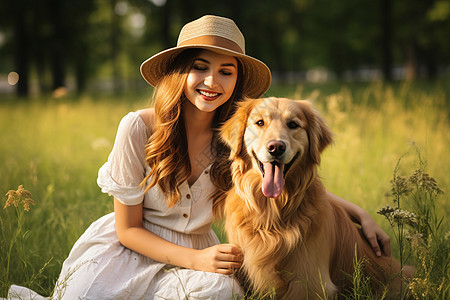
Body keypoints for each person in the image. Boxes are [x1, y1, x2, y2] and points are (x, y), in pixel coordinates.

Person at [7, 15, 390, 299]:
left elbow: (285, 180)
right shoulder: (137, 129)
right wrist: (195, 262)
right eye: (200, 67)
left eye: (226, 71)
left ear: (236, 81)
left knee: (219, 294)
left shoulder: (238, 137)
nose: (212, 82)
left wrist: (359, 214)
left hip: (198, 250)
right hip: (128, 249)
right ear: (179, 71)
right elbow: (127, 230)